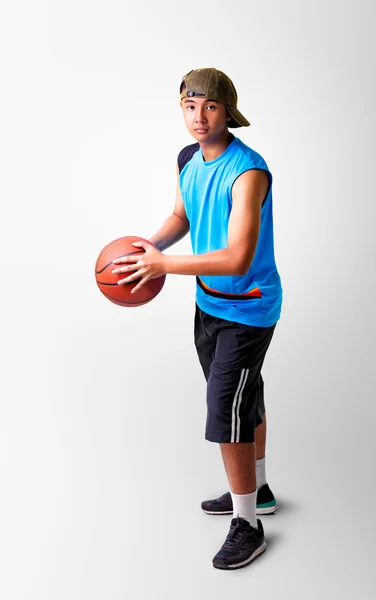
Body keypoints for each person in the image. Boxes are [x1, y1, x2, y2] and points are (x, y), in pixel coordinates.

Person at [112, 68, 283, 570]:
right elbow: (183, 216)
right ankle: (262, 489)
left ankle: (249, 524)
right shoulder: (188, 158)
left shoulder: (248, 172)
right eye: (189, 106)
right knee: (242, 398)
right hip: (209, 303)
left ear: (228, 111)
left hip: (248, 308)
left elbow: (236, 258)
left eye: (209, 107)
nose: (198, 117)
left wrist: (164, 266)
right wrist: (151, 246)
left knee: (224, 411)